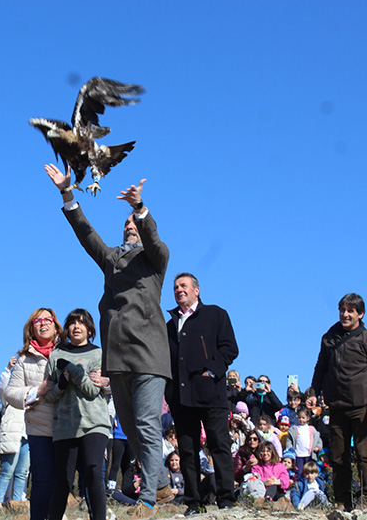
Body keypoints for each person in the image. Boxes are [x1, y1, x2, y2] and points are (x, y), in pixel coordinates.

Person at [46, 164, 171, 514]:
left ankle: (146, 499)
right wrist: (67, 194)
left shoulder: (155, 261)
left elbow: (156, 240)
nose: (129, 228)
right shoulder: (112, 260)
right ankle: (160, 484)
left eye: (134, 225)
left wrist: (141, 210)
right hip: (116, 359)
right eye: (126, 225)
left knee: (147, 423)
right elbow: (87, 235)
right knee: (131, 427)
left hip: (148, 355)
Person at [165, 273, 238, 514]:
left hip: (211, 395)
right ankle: (193, 502)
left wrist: (212, 371)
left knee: (219, 445)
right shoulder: (169, 324)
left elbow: (230, 348)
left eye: (183, 286)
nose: (179, 290)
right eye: (176, 287)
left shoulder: (216, 314)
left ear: (197, 290)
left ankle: (226, 498)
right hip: (181, 398)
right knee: (187, 451)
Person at [310, 293, 367, 511]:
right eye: (342, 310)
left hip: (363, 406)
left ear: (360, 314)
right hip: (336, 406)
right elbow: (320, 368)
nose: (345, 314)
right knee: (338, 457)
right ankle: (343, 500)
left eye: (350, 311)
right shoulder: (329, 338)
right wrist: (314, 392)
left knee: (364, 456)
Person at [44, 308, 111, 520]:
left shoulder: (98, 354)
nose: (76, 327)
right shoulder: (56, 356)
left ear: (90, 329)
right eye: (72, 323)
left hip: (95, 422)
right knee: (63, 479)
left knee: (92, 471)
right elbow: (49, 395)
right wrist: (62, 384)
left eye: (81, 323)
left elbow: (92, 389)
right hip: (64, 425)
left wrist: (72, 371)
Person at [5, 307, 62, 520]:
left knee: (64, 480)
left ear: (56, 326)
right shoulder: (23, 358)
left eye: (48, 319)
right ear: (31, 328)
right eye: (37, 321)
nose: (43, 324)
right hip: (39, 427)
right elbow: (11, 393)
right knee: (41, 481)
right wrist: (37, 391)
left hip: (69, 426)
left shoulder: (69, 350)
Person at [0, 355, 29, 510]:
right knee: (7, 470)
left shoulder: (31, 390)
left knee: (22, 472)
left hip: (28, 433)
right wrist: (8, 369)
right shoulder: (9, 394)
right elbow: (2, 387)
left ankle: (17, 503)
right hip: (12, 433)